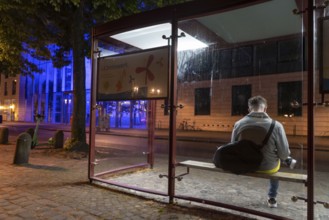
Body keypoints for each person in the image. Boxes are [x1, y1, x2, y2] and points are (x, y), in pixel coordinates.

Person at [231, 95, 296, 208]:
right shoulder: (276, 125)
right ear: (265, 108)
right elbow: (283, 153)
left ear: (249, 109)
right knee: (277, 157)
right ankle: (272, 198)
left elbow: (233, 147)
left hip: (246, 165)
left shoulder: (238, 124)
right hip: (267, 167)